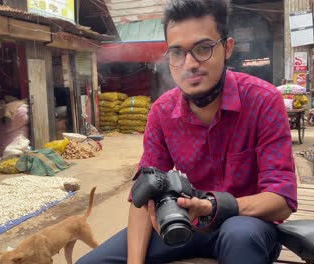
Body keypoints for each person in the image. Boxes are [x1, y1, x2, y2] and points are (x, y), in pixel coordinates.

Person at [77, 0, 297, 263]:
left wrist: (213, 206)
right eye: (177, 53)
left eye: (203, 48)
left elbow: (282, 198)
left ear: (227, 48)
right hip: (184, 225)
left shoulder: (262, 100)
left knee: (240, 235)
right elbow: (143, 193)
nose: (189, 63)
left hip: (246, 224)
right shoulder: (162, 112)